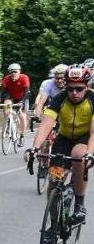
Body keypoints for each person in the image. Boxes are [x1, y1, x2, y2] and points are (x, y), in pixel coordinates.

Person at [25, 64, 94, 227]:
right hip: (63, 138)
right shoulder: (60, 98)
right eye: (70, 89)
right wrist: (34, 148)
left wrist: (90, 153)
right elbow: (46, 124)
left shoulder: (92, 99)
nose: (74, 93)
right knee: (54, 182)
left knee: (79, 156)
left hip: (84, 138)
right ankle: (55, 224)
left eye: (79, 88)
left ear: (87, 86)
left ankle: (79, 205)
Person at [0, 63, 30, 147]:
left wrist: (22, 101)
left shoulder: (24, 78)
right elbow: (1, 90)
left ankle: (22, 136)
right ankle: (8, 121)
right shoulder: (7, 79)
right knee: (6, 104)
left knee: (22, 117)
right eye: (11, 72)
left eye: (15, 72)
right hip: (12, 97)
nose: (13, 74)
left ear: (19, 72)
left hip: (23, 98)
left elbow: (27, 91)